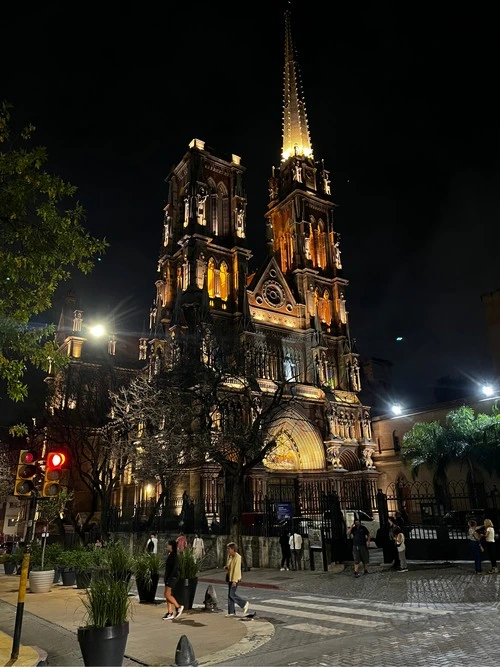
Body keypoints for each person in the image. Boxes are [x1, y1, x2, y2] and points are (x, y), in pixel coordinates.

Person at [225, 542, 249, 617]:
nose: (228, 550)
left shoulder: (238, 557)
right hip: (230, 577)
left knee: (231, 594)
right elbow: (229, 566)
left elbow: (237, 570)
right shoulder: (230, 556)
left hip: (234, 579)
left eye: (229, 549)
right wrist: (226, 567)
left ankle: (244, 603)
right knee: (229, 595)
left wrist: (234, 580)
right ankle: (231, 612)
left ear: (233, 549)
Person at [162, 540, 184, 620]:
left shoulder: (174, 556)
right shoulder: (170, 555)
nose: (167, 547)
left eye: (168, 545)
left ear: (171, 546)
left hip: (172, 577)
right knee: (167, 594)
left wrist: (170, 578)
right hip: (168, 577)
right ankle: (170, 612)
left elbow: (175, 568)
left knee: (167, 594)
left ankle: (178, 607)